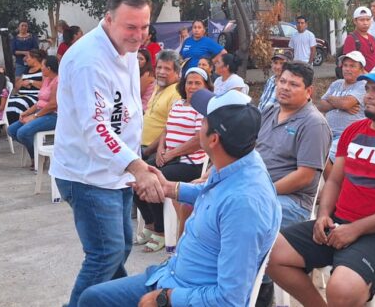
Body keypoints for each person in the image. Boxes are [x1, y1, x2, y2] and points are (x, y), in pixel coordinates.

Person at [79, 89, 280, 307]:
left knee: (93, 299)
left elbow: (230, 300)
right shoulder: (243, 161)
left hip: (186, 291)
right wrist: (170, 188)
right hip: (172, 274)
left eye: (203, 120)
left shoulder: (244, 205)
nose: (199, 125)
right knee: (93, 297)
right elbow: (217, 196)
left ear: (213, 139)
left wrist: (166, 298)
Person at [267, 57, 375, 306]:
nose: (368, 96)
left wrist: (356, 229)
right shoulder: (354, 131)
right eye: (368, 88)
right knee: (270, 254)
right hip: (339, 224)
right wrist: (324, 215)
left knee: (342, 290)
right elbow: (334, 181)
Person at [48, 0, 164, 307]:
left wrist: (135, 163)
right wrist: (137, 166)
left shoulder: (125, 49)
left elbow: (125, 111)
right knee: (105, 253)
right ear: (109, 19)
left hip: (117, 171)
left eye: (144, 27)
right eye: (131, 27)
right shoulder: (89, 60)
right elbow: (96, 128)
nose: (139, 35)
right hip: (88, 174)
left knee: (119, 247)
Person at [254, 61, 332, 304]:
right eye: (283, 81)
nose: (285, 87)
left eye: (294, 84)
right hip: (257, 191)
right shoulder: (269, 112)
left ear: (309, 92)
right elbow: (247, 151)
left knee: (247, 216)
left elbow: (305, 176)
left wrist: (264, 191)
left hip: (291, 202)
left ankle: (261, 292)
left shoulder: (313, 123)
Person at [133, 67, 212, 253]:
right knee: (138, 174)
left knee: (156, 180)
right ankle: (150, 222)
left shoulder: (203, 108)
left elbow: (198, 140)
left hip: (190, 163)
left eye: (198, 83)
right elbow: (166, 129)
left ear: (206, 86)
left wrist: (172, 153)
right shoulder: (178, 104)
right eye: (190, 83)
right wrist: (161, 149)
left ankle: (161, 230)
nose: (192, 87)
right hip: (169, 157)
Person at [316, 50, 367, 178]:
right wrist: (340, 104)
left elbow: (345, 104)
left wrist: (332, 100)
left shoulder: (363, 85)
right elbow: (320, 105)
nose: (347, 69)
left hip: (348, 136)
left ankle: (332, 187)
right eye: (345, 65)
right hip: (327, 133)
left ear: (361, 69)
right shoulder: (336, 84)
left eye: (352, 66)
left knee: (323, 155)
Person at [7, 56, 58, 160]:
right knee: (11, 130)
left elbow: (53, 104)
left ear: (49, 68)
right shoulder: (47, 79)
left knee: (22, 133)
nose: (41, 68)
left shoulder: (58, 81)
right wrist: (26, 112)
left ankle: (37, 158)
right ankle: (38, 154)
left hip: (53, 115)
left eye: (42, 66)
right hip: (41, 112)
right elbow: (40, 101)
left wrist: (34, 116)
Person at [141, 50, 182, 158]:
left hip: (154, 152)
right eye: (159, 67)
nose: (161, 72)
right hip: (141, 146)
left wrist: (147, 152)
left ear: (177, 72)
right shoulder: (158, 85)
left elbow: (171, 128)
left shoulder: (177, 93)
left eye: (167, 69)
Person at [5, 49, 46, 123]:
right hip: (20, 95)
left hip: (34, 96)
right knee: (6, 102)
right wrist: (21, 83)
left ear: (34, 58)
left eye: (27, 57)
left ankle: (18, 124)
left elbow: (45, 86)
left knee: (18, 104)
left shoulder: (43, 70)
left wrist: (31, 82)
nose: (25, 59)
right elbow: (16, 87)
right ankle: (8, 125)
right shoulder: (26, 70)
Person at [343, 6, 375, 71]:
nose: (365, 23)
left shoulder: (372, 38)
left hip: (373, 75)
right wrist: (366, 75)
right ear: (355, 21)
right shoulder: (351, 39)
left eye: (368, 20)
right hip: (361, 76)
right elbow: (350, 63)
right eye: (362, 20)